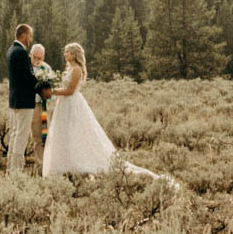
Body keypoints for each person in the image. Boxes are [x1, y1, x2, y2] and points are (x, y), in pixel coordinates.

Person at [42, 42, 176, 186]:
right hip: (64, 105)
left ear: (74, 54)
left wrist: (53, 92)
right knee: (65, 132)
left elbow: (70, 90)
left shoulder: (76, 70)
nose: (65, 54)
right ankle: (66, 164)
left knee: (75, 132)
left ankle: (76, 165)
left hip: (72, 104)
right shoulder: (69, 69)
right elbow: (65, 88)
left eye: (67, 52)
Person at [5, 24, 38, 175]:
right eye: (30, 36)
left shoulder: (11, 51)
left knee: (14, 134)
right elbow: (27, 78)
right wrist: (41, 84)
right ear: (23, 35)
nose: (30, 39)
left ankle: (10, 168)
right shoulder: (21, 53)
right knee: (21, 136)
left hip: (14, 100)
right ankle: (16, 171)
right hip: (24, 101)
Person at [29, 44, 55, 168]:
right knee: (32, 136)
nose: (38, 60)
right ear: (31, 54)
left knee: (42, 135)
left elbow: (53, 89)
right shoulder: (26, 67)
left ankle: (43, 164)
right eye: (35, 57)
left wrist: (48, 95)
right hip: (27, 104)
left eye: (40, 57)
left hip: (42, 106)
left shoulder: (47, 68)